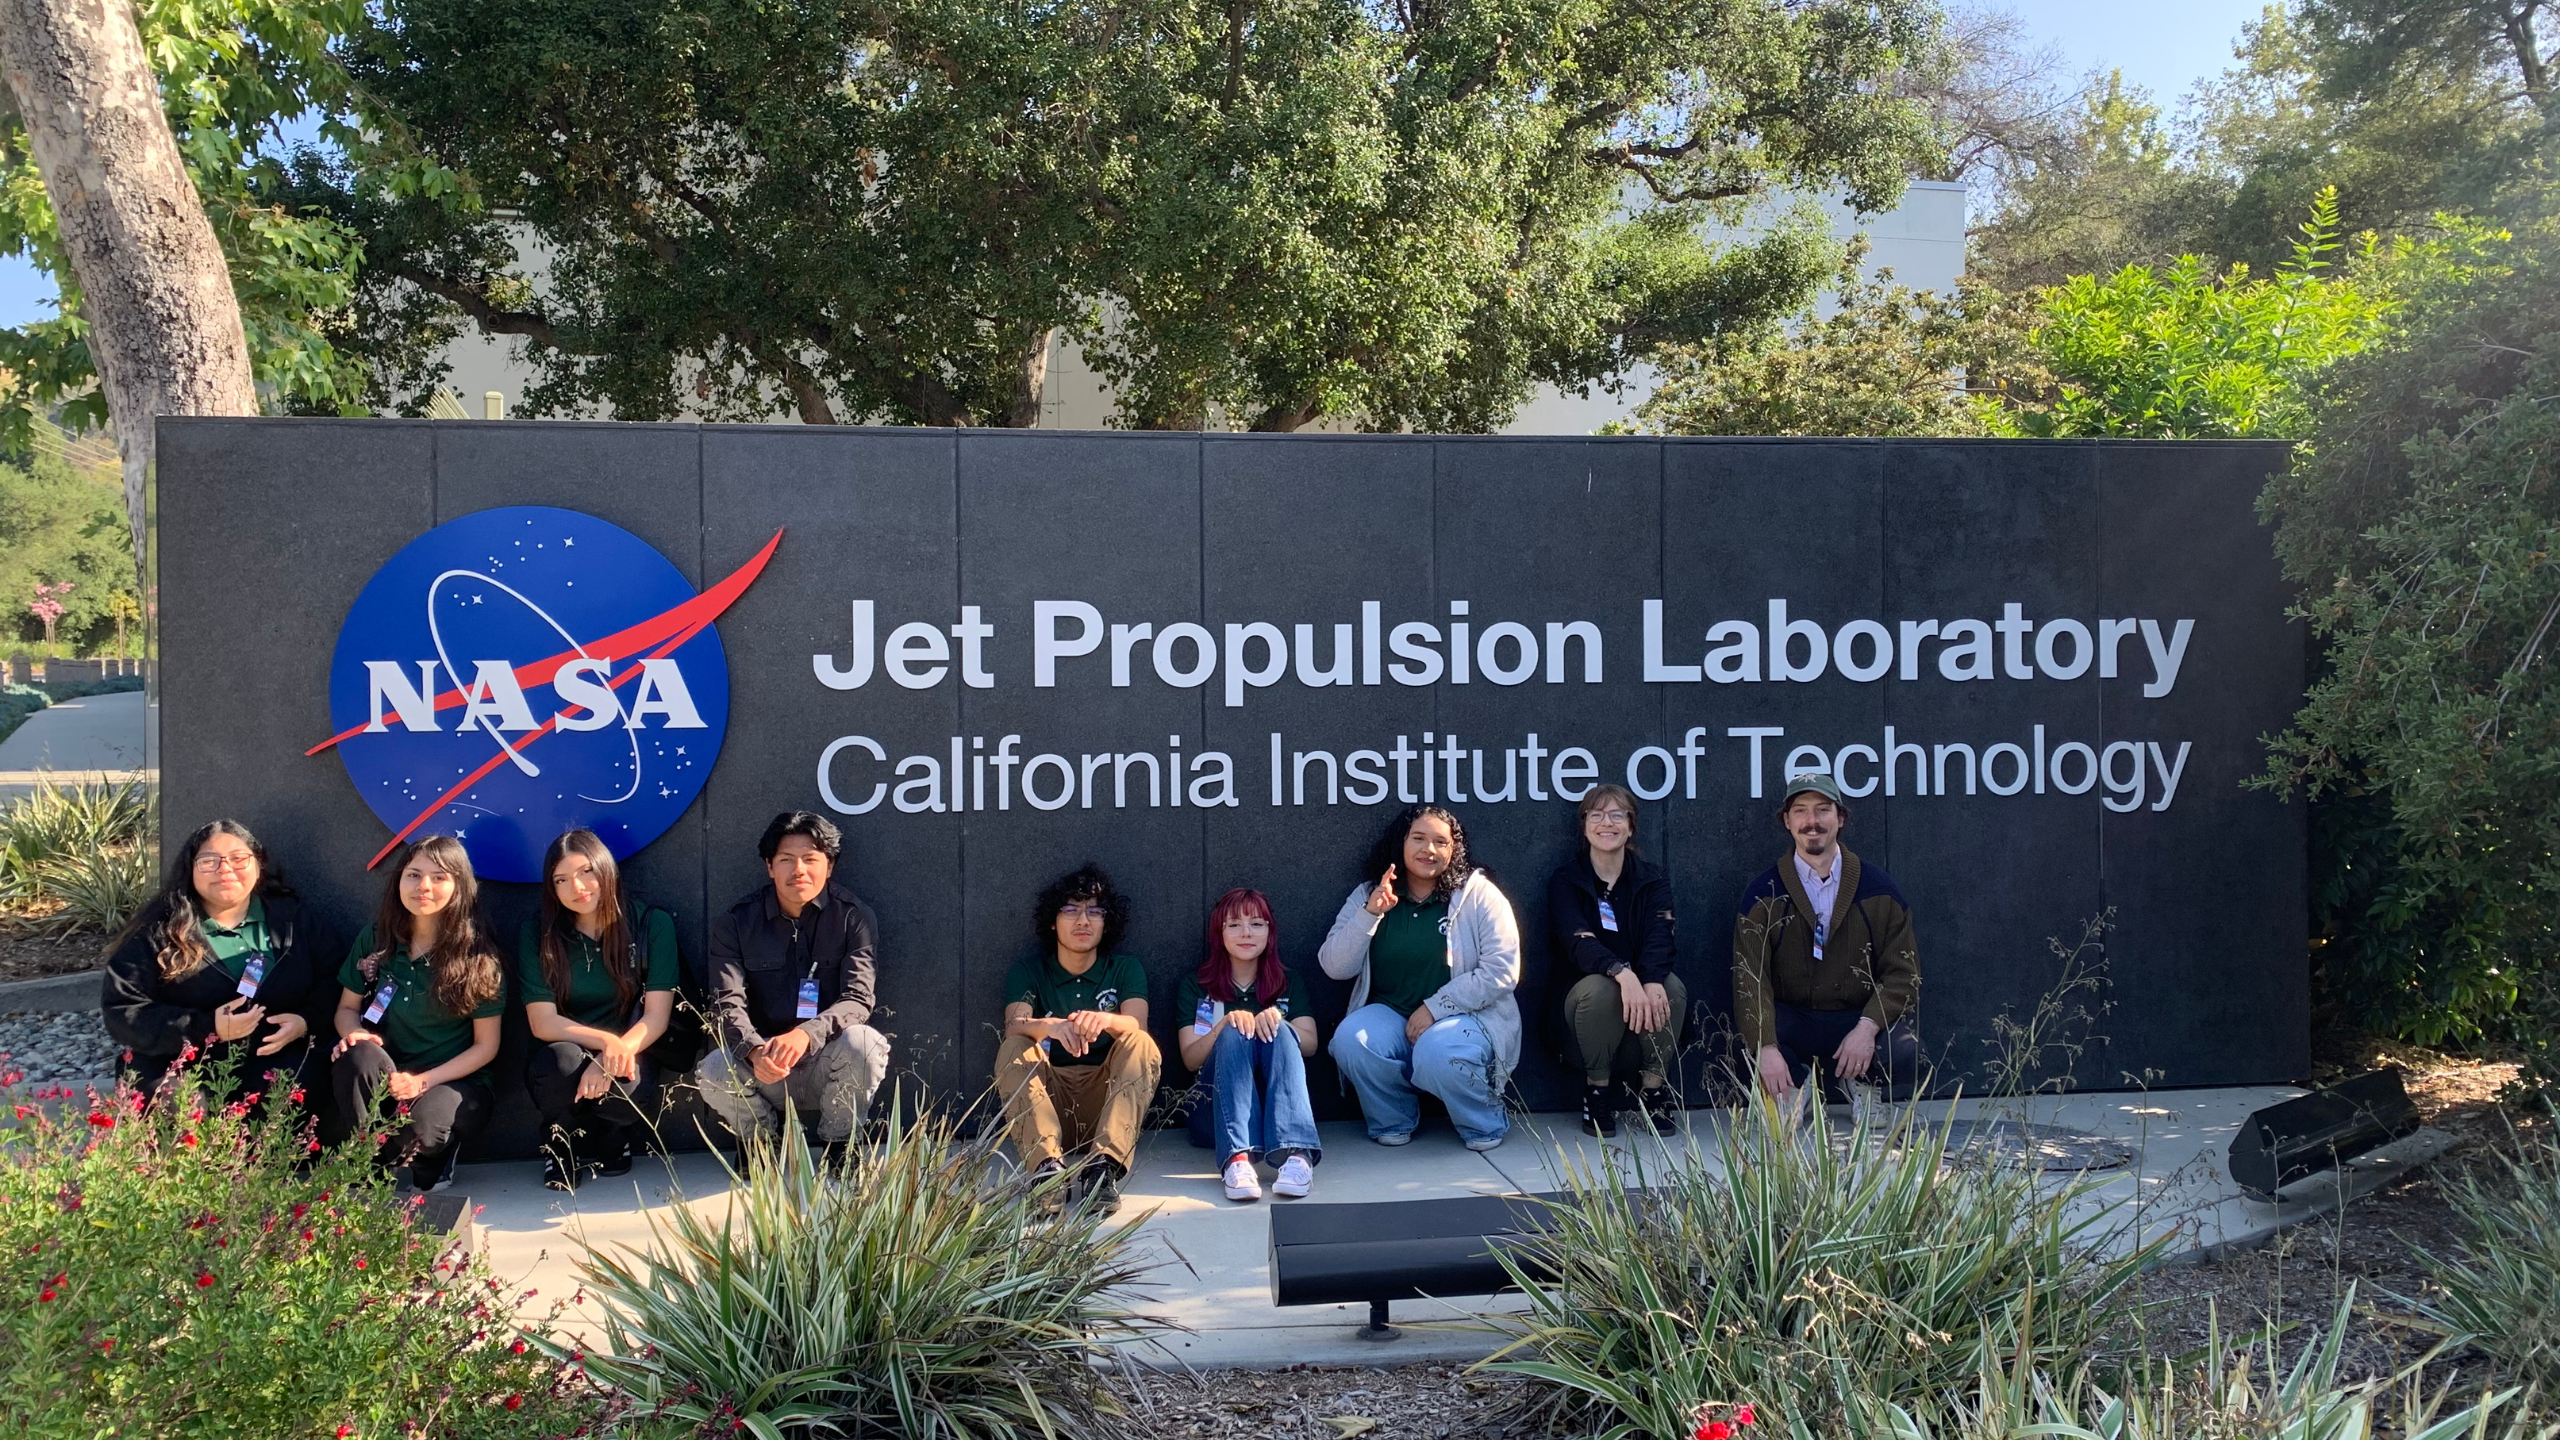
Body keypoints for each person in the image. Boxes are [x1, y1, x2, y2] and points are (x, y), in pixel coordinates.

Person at [1321, 805, 1522, 1151]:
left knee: (1438, 1050)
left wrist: (1435, 1008)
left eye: (1440, 842)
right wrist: (1370, 914)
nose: (1429, 850)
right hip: (1391, 1013)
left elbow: (1501, 970)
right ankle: (1393, 1117)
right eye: (1418, 838)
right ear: (1401, 843)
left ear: (1453, 850)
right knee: (1351, 1040)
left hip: (1466, 1019)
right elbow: (1334, 966)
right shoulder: (1370, 893)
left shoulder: (1478, 895)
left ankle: (1484, 1122)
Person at [698, 811, 891, 1163]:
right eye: (786, 860)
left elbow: (858, 999)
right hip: (764, 1066)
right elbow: (727, 1004)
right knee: (712, 1069)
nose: (798, 869)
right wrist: (755, 1051)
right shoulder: (736, 923)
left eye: (810, 859)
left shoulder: (853, 917)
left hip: (827, 1061)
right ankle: (762, 1142)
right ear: (770, 866)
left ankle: (840, 1146)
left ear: (829, 866)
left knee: (866, 1044)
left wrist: (806, 1034)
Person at [101, 820, 336, 1107]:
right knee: (177, 1106)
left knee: (294, 1091)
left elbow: (336, 978)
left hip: (271, 1054)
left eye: (238, 859)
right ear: (190, 870)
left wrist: (305, 1021)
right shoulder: (157, 931)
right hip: (178, 1060)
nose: (225, 869)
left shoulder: (292, 919)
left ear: (258, 864)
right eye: (209, 861)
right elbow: (123, 1010)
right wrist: (206, 1027)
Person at [1732, 773, 1921, 1102]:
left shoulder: (1879, 888)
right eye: (1801, 811)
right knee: (1746, 1045)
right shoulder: (1763, 893)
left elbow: (1905, 974)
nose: (1812, 821)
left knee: (1904, 1048)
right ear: (1787, 821)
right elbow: (1750, 978)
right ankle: (1795, 1087)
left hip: (1855, 1017)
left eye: (1823, 810)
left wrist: (1867, 1027)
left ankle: (1863, 1087)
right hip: (1793, 1018)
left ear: (1840, 818)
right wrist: (1766, 1046)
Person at [330, 836, 505, 1191]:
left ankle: (435, 1157)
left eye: (439, 877)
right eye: (413, 875)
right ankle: (369, 1163)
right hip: (387, 1075)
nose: (423, 886)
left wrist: (424, 1082)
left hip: (451, 1083)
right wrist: (355, 1033)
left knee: (423, 1125)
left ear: (459, 887)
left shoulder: (479, 957)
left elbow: (485, 1047)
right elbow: (347, 1009)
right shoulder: (376, 940)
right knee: (355, 1054)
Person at [520, 829, 682, 1190]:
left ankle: (612, 1133)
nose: (577, 887)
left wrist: (613, 1052)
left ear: (606, 870)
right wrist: (603, 1043)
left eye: (586, 872)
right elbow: (542, 1021)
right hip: (565, 1046)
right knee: (558, 1065)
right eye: (561, 880)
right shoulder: (538, 933)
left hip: (632, 1043)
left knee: (626, 1085)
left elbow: (656, 1016)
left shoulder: (650, 924)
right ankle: (559, 1142)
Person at [995, 863, 1159, 1216]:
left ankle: (1103, 1169)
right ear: (1053, 921)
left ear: (1107, 921)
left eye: (1094, 911)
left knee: (1140, 1043)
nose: (1083, 920)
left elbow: (1138, 1024)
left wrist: (1106, 1020)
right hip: (1050, 1102)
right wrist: (1050, 1026)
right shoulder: (1030, 971)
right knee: (1014, 1047)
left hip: (1106, 1102)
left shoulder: (1124, 968)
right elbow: (1014, 1024)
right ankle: (1047, 1172)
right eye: (1070, 910)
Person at [1550, 784, 1685, 1137]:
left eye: (1616, 815)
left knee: (1670, 987)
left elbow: (1661, 934)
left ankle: (1653, 1090)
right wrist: (1621, 973)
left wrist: (1651, 979)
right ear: (1584, 826)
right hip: (1585, 1013)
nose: (1605, 823)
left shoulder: (1652, 878)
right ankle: (1597, 1091)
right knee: (1600, 988)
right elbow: (1577, 941)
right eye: (1596, 815)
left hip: (1642, 1011)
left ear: (1631, 825)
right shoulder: (1567, 880)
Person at [1177, 888, 1320, 1202]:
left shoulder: (1288, 982)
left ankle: (1297, 1156)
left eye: (1256, 924)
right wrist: (1224, 1026)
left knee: (1280, 1030)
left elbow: (1310, 1043)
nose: (1246, 933)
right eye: (1234, 925)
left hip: (1277, 1115)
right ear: (1220, 933)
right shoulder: (1196, 986)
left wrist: (1279, 1023)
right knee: (1234, 1031)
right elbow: (1190, 1058)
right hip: (1213, 1116)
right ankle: (1236, 1159)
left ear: (1270, 932)